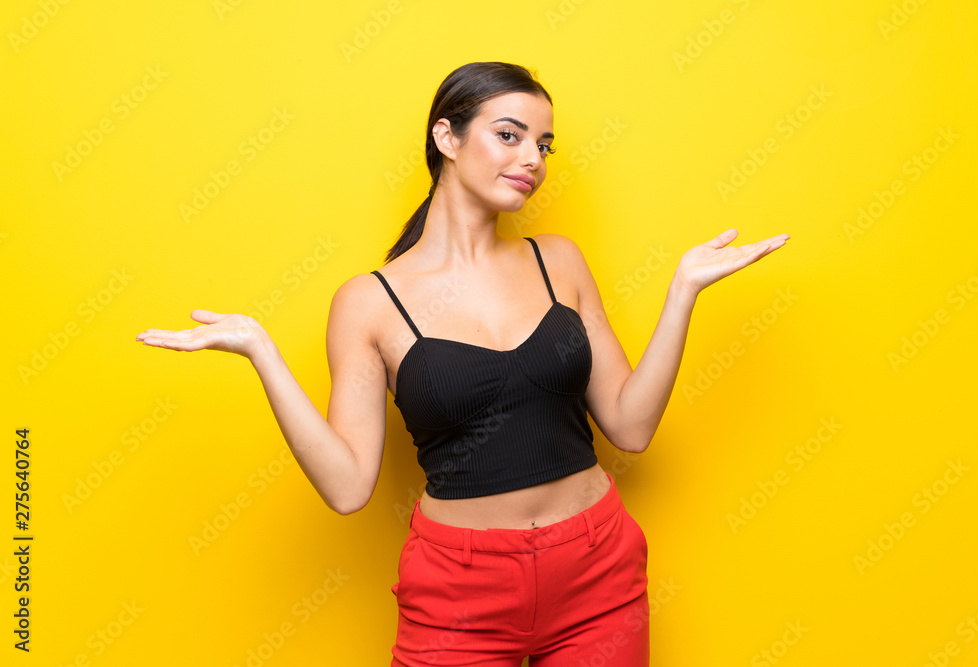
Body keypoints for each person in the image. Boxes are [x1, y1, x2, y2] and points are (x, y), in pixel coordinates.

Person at [136, 61, 789, 666]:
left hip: (598, 571)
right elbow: (346, 487)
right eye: (509, 135)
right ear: (446, 137)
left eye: (543, 144)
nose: (531, 158)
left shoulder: (558, 260)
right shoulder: (369, 302)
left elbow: (631, 426)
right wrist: (262, 351)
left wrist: (682, 293)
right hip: (460, 592)